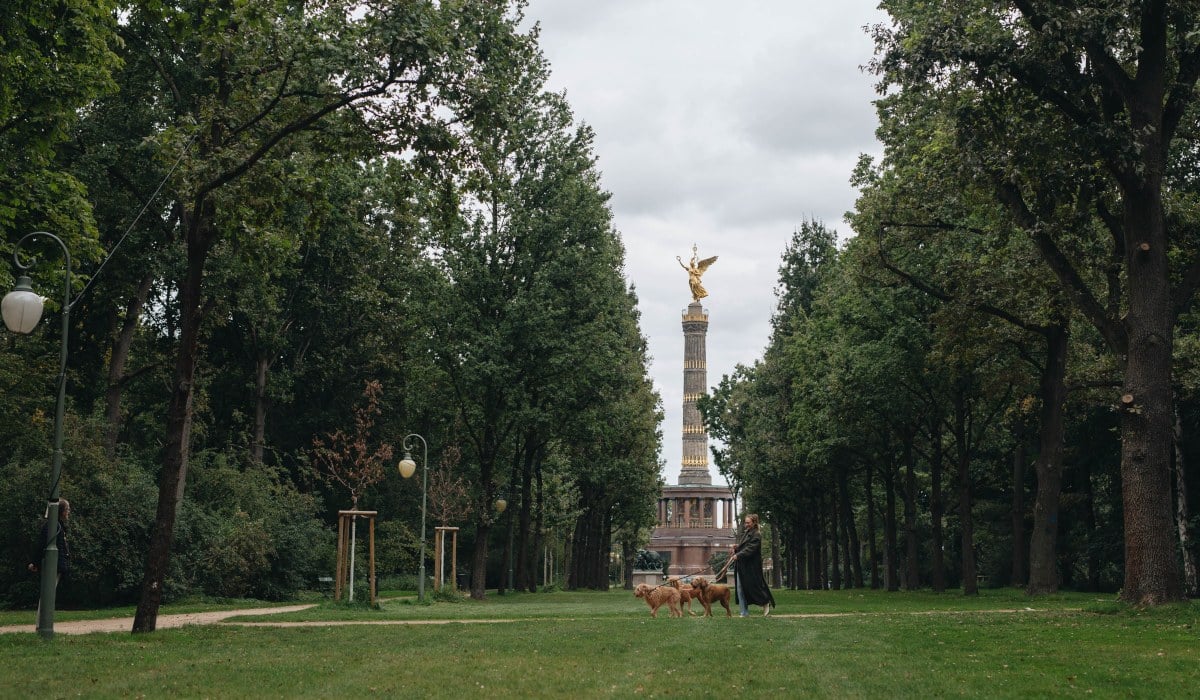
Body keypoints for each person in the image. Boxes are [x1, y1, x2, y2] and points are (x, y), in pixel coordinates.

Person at [729, 513, 775, 617]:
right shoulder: (747, 533)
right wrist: (736, 547)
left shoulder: (757, 534)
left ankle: (765, 602)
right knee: (740, 588)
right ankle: (744, 612)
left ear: (754, 523)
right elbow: (745, 546)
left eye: (748, 522)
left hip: (751, 567)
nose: (746, 524)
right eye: (745, 522)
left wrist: (738, 555)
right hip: (742, 566)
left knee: (754, 587)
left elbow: (751, 549)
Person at [28, 498, 71, 583]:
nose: (69, 511)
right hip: (54, 566)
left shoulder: (58, 526)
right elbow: (43, 545)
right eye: (67, 509)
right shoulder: (53, 526)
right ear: (61, 511)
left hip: (57, 566)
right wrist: (35, 563)